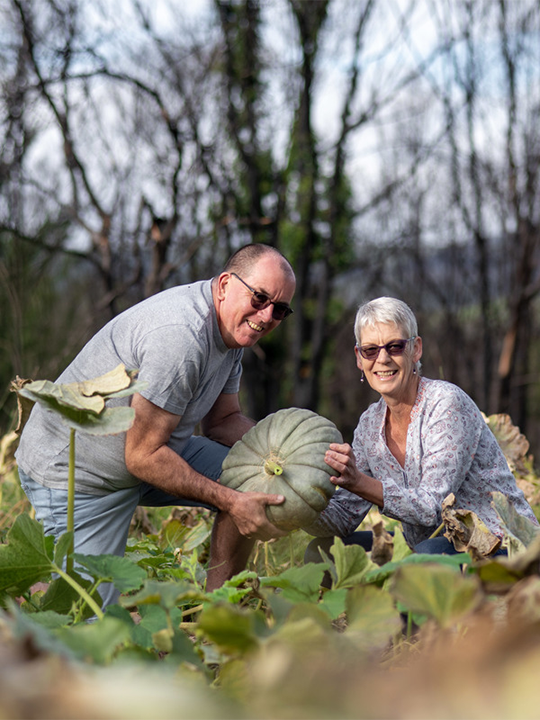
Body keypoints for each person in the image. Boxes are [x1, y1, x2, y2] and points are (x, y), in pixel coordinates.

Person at [16, 243, 296, 606]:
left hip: (149, 452)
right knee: (83, 620)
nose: (267, 315)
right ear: (226, 284)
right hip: (79, 472)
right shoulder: (181, 336)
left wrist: (287, 452)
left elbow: (223, 421)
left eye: (280, 309)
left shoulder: (233, 332)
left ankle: (220, 610)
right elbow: (142, 456)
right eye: (260, 297)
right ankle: (20, 603)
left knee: (252, 479)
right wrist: (232, 501)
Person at [304, 296, 538, 563]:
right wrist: (296, 506)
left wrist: (359, 481)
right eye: (370, 350)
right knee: (320, 554)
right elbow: (344, 515)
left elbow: (433, 508)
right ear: (359, 358)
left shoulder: (446, 403)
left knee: (427, 556)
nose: (382, 359)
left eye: (394, 346)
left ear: (415, 349)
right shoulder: (369, 426)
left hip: (502, 549)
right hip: (428, 552)